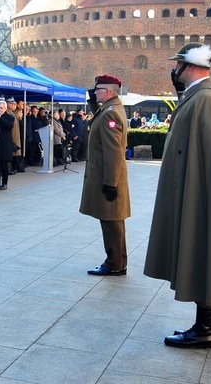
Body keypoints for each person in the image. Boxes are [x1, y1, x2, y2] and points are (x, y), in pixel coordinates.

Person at [144, 43, 211, 349]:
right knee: (207, 255)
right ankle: (209, 326)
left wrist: (202, 197)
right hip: (201, 192)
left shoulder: (205, 98)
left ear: (189, 66)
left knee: (207, 253)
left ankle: (207, 328)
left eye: (177, 66)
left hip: (203, 195)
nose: (174, 71)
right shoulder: (200, 96)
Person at [79, 75, 131, 277]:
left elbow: (113, 152)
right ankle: (118, 262)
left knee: (111, 222)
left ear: (108, 91)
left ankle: (114, 264)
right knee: (113, 221)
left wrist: (110, 182)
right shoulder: (111, 109)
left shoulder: (111, 114)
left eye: (97, 89)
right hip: (110, 175)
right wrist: (93, 102)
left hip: (108, 177)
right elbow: (99, 118)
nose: (95, 91)